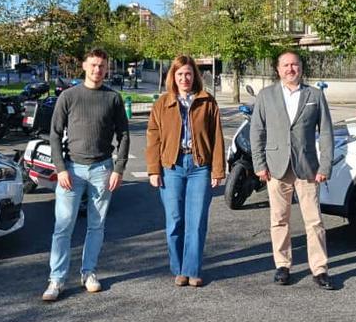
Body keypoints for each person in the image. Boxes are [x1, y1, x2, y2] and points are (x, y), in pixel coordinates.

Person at [42, 48, 130, 302]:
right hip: (71, 170)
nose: (97, 70)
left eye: (102, 66)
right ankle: (56, 279)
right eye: (93, 65)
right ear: (84, 66)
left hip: (102, 169)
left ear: (107, 68)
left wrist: (119, 169)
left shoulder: (113, 98)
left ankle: (88, 272)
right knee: (63, 226)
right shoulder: (69, 96)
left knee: (96, 226)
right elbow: (54, 134)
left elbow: (124, 135)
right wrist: (60, 168)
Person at [250, 50, 335, 290]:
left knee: (314, 220)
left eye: (294, 64)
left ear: (301, 67)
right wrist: (259, 165)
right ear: (278, 70)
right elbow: (257, 132)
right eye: (285, 65)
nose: (290, 69)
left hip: (307, 168)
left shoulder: (315, 95)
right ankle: (282, 265)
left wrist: (325, 165)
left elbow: (326, 133)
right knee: (279, 219)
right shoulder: (266, 96)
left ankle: (319, 269)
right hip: (276, 167)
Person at [146, 55, 225, 287]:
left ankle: (192, 270)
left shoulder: (207, 102)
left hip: (200, 166)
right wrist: (153, 169)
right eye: (180, 74)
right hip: (172, 166)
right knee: (175, 220)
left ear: (194, 76)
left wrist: (217, 170)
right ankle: (179, 268)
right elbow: (153, 138)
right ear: (173, 76)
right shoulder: (162, 104)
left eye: (188, 73)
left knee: (196, 221)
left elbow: (217, 137)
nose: (184, 78)